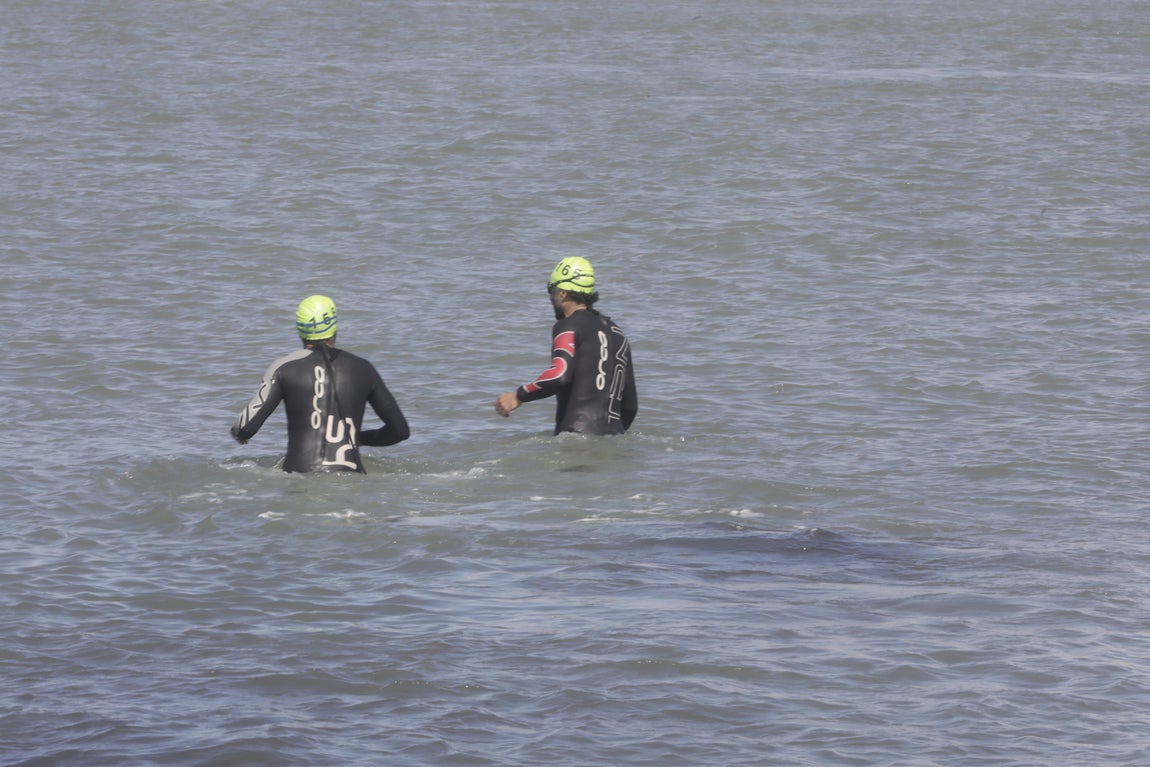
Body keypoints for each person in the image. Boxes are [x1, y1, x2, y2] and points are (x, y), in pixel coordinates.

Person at [231, 295, 409, 473]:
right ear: (334, 327)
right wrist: (357, 438)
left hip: (299, 479)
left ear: (300, 329)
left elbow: (245, 428)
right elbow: (400, 431)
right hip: (350, 483)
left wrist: (238, 434)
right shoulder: (363, 368)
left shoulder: (284, 368)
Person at [495, 257, 638, 435]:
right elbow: (630, 406)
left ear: (562, 293)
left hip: (575, 437)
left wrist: (519, 395)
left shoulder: (567, 326)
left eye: (551, 290)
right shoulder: (618, 332)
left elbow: (559, 375)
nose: (550, 298)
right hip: (614, 438)